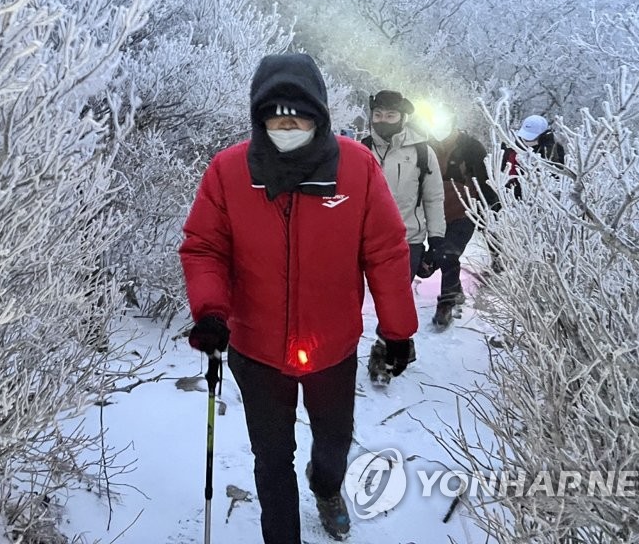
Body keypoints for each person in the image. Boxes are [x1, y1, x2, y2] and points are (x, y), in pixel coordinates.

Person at [179, 53, 418, 544]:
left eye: (298, 117)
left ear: (320, 115)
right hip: (255, 347)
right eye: (276, 116)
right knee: (271, 456)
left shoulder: (356, 166)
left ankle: (327, 486)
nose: (287, 126)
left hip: (332, 345)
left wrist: (397, 331)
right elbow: (204, 247)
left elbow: (387, 251)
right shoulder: (229, 171)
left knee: (331, 443)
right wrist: (210, 312)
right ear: (258, 117)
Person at [360, 90, 446, 280]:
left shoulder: (422, 152)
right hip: (367, 241)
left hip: (407, 241)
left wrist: (436, 238)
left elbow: (433, 198)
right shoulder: (361, 149)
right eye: (378, 115)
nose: (383, 120)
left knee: (396, 303)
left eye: (391, 116)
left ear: (402, 117)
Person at [426, 113, 499, 329]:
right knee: (430, 261)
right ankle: (456, 289)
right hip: (434, 212)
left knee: (448, 253)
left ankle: (446, 302)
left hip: (464, 211)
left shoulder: (471, 148)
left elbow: (486, 182)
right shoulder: (424, 146)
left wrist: (491, 211)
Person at [501, 114, 566, 199]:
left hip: (539, 198)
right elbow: (502, 170)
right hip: (511, 195)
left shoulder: (555, 149)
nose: (526, 140)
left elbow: (556, 176)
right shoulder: (511, 146)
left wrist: (548, 147)